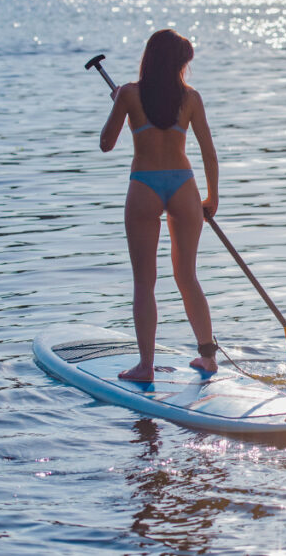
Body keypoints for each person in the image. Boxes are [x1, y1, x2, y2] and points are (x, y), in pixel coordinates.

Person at [100, 29, 220, 382]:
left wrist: (119, 107)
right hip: (184, 186)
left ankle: (145, 366)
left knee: (144, 282)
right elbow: (209, 153)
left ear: (150, 58)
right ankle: (208, 358)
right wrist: (212, 197)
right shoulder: (191, 98)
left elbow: (106, 144)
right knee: (188, 276)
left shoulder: (128, 94)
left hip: (145, 187)